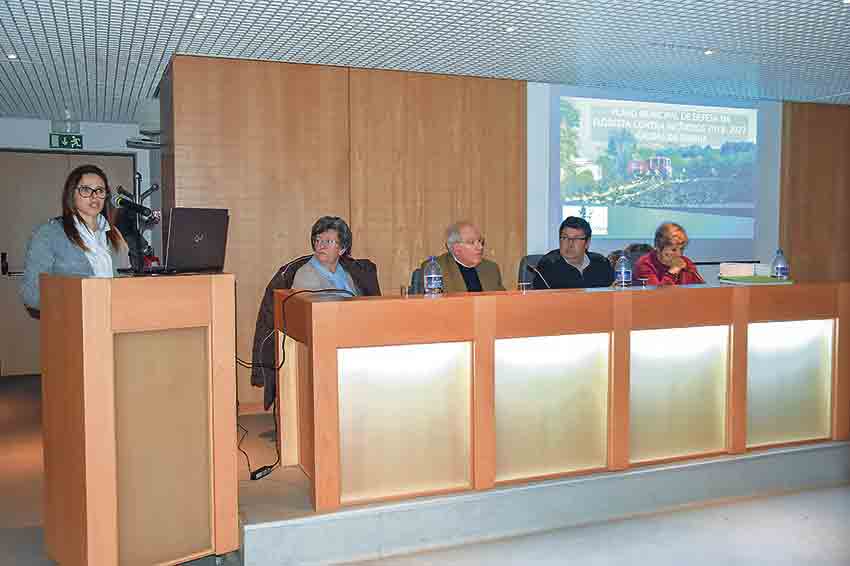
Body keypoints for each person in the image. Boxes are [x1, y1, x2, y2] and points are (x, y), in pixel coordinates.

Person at [251, 216, 381, 409]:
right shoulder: (305, 274)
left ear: (342, 249)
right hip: (321, 343)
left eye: (328, 241)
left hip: (349, 339)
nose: (320, 245)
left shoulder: (348, 274)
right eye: (318, 240)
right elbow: (319, 314)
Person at [20, 164, 129, 311]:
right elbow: (32, 295)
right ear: (71, 194)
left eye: (100, 190)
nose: (94, 196)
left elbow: (126, 281)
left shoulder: (114, 234)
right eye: (85, 190)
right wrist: (77, 300)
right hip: (72, 324)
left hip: (113, 320)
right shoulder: (49, 233)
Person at [532, 216, 614, 289]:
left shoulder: (601, 263)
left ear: (587, 243)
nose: (570, 244)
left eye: (576, 238)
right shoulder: (548, 265)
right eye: (565, 238)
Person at [422, 221, 504, 293]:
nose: (480, 247)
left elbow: (502, 301)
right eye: (471, 242)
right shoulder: (436, 269)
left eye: (480, 241)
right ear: (456, 248)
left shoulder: (491, 269)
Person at [634, 222, 704, 286]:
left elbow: (702, 290)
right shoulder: (644, 264)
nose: (679, 254)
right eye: (673, 250)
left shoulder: (686, 263)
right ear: (658, 247)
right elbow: (656, 295)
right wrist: (673, 272)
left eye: (682, 249)